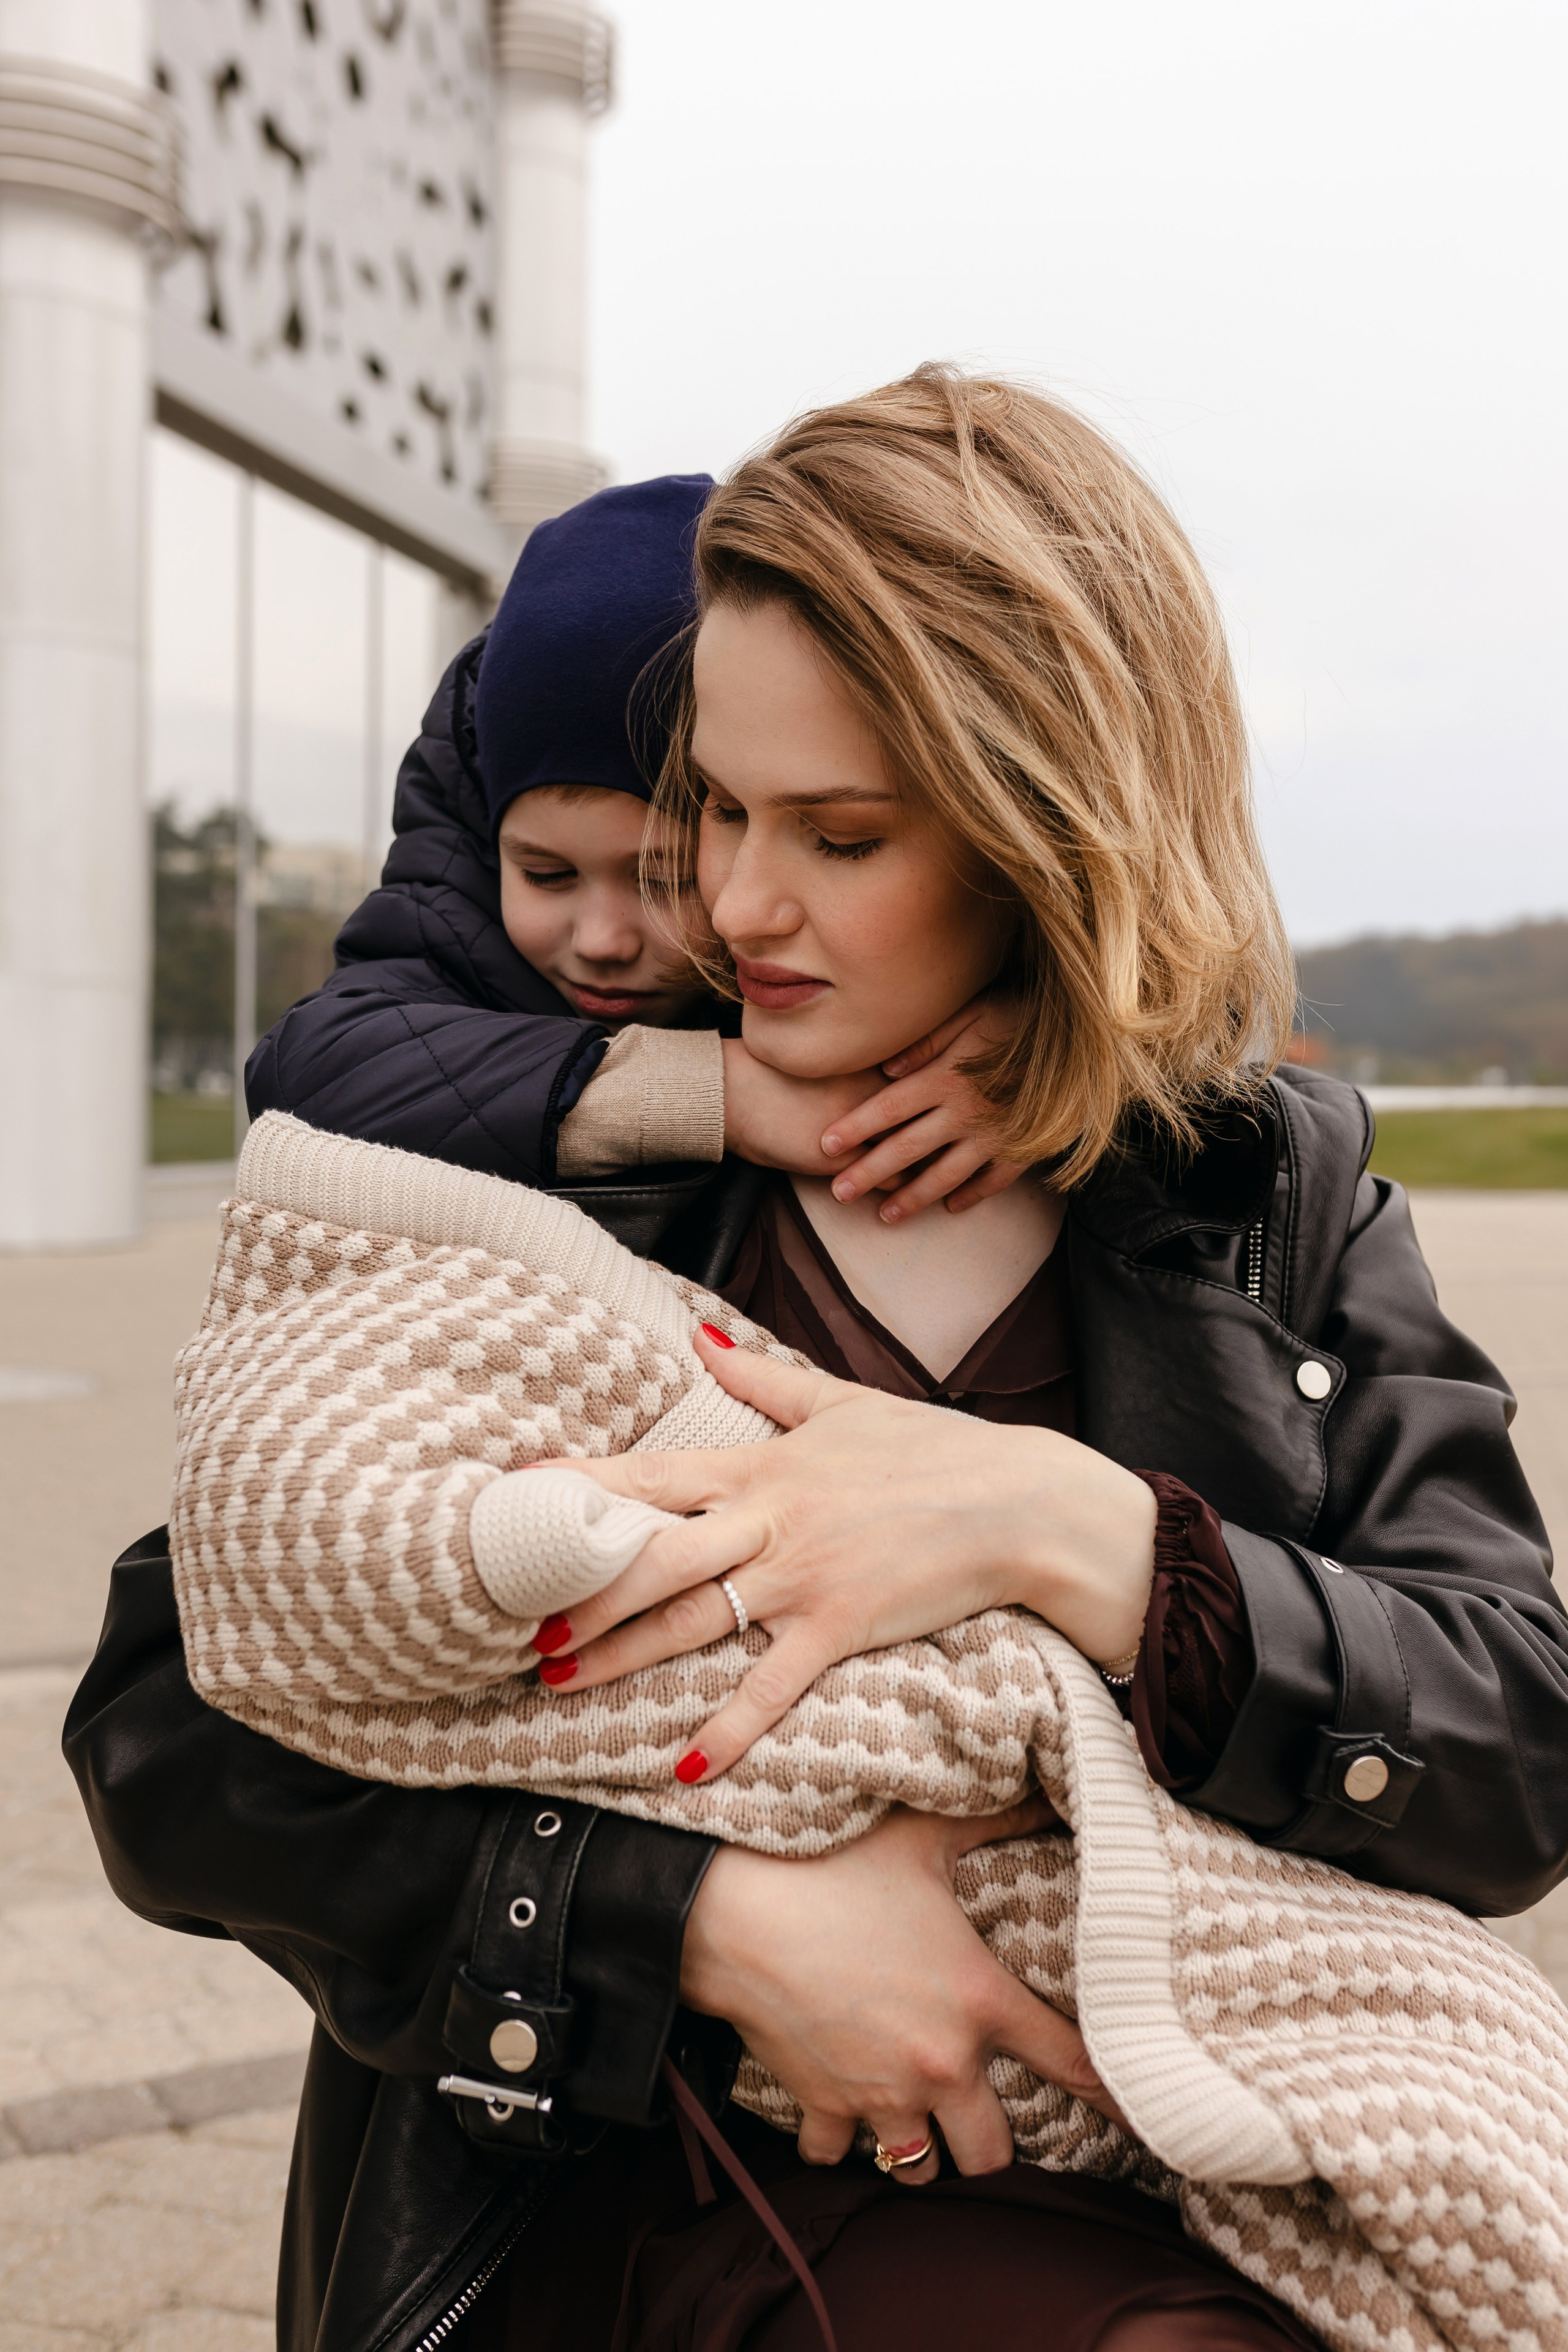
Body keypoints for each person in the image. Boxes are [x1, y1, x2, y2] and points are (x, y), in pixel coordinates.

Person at [67, 369, 1562, 2352]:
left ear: (1054, 832)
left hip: (1199, 2165)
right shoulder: (559, 1155)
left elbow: (1512, 1756)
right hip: (620, 2195)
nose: (733, 903)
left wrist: (1084, 1535)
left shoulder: (1273, 1198)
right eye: (720, 807)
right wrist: (697, 1925)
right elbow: (170, 1727)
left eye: (841, 836)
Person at [245, 471, 1023, 1223]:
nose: (602, 941)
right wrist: (714, 1094)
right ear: (489, 838)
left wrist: (1038, 1037)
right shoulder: (454, 916)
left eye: (667, 880)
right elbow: (309, 1066)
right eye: (546, 874)